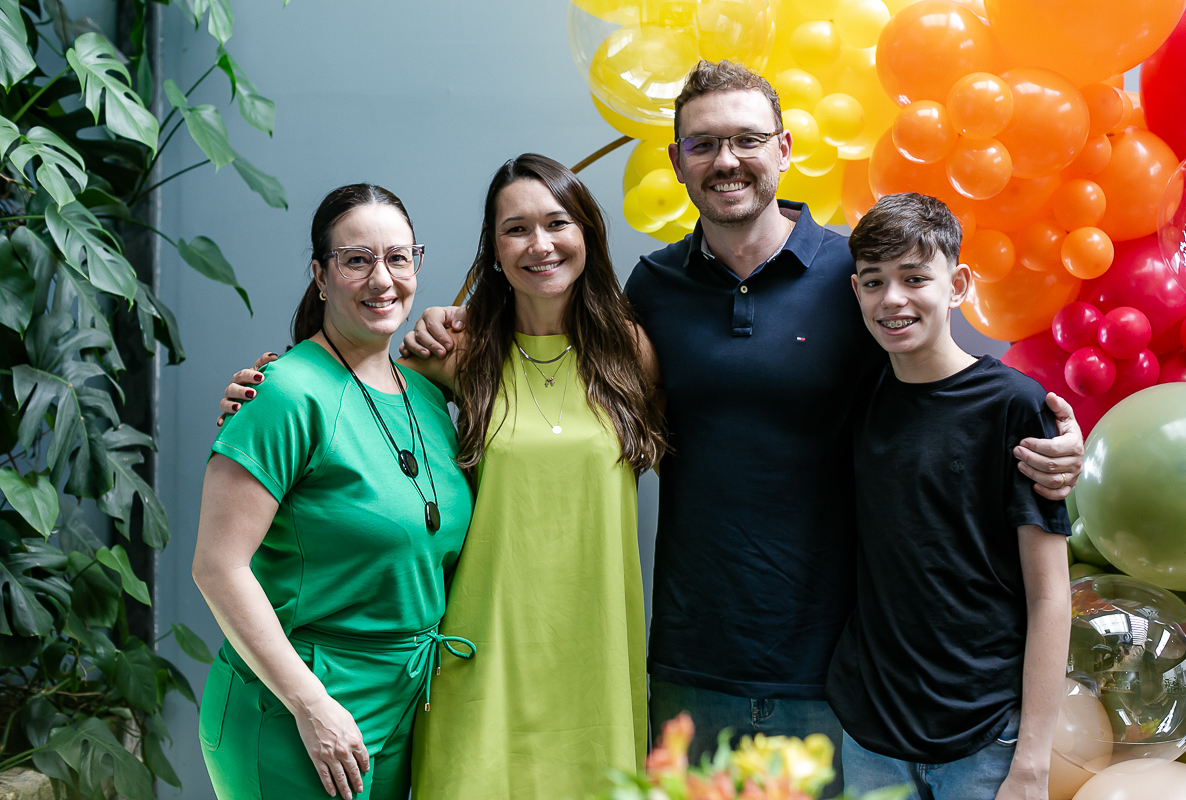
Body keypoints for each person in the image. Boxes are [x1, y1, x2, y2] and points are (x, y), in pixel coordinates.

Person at [399, 60, 1085, 793]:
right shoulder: (653, 288)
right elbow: (554, 358)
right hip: (692, 661)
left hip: (840, 672)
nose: (726, 160)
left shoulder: (854, 275)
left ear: (785, 148)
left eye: (747, 140)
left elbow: (948, 389)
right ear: (677, 162)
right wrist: (450, 325)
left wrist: (1051, 440)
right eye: (703, 145)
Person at [218, 154, 667, 800]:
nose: (538, 243)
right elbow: (356, 395)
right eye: (515, 228)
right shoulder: (457, 353)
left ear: (588, 235)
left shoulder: (632, 354)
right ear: (493, 250)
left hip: (595, 656)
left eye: (557, 222)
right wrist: (253, 395)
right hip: (477, 657)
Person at [192, 184, 475, 800]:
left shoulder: (428, 395)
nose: (382, 279)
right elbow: (218, 565)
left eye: (398, 258)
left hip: (406, 704)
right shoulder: (283, 393)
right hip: (303, 704)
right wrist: (310, 704)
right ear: (320, 276)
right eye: (357, 259)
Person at [827, 192, 1071, 800]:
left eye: (915, 278)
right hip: (871, 738)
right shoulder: (860, 399)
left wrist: (1033, 765)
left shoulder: (1014, 406)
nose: (893, 299)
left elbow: (1050, 594)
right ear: (856, 291)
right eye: (874, 282)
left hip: (985, 738)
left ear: (958, 283)